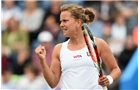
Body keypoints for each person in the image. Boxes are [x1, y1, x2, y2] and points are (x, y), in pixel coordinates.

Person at [35, 4, 121, 89]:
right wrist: (42, 61)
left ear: (78, 22)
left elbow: (115, 69)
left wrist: (109, 79)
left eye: (65, 21)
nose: (61, 24)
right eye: (61, 21)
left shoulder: (99, 44)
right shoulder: (58, 49)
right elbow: (53, 83)